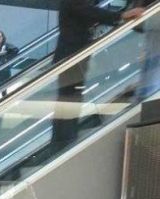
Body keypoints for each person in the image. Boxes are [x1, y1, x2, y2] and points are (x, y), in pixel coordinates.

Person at [50, 0, 144, 150]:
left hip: (74, 55)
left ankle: (64, 138)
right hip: (71, 56)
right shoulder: (75, 3)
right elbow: (87, 11)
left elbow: (87, 13)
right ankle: (64, 140)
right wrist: (121, 15)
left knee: (71, 97)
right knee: (69, 97)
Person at [0, 31, 19, 101]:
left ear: (3, 38)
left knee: (3, 90)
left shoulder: (6, 46)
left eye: (0, 36)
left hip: (5, 71)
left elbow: (16, 50)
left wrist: (7, 58)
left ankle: (2, 103)